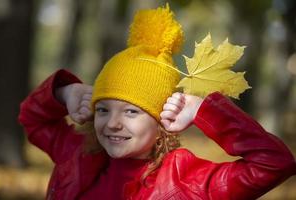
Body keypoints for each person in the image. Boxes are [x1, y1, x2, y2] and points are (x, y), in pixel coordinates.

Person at [19, 5, 296, 200]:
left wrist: (203, 110)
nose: (113, 123)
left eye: (131, 111)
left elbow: (274, 164)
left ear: (161, 119)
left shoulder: (189, 181)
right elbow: (32, 119)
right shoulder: (77, 153)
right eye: (103, 109)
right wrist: (63, 93)